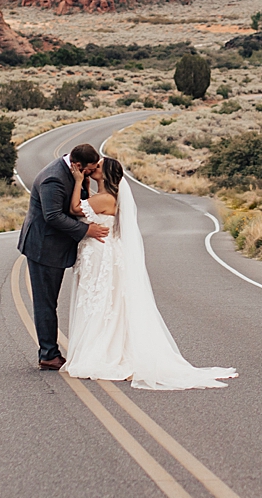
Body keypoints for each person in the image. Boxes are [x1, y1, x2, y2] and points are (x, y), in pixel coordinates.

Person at [64, 155, 237, 390]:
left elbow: (75, 208)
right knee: (104, 303)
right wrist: (84, 184)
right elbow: (88, 205)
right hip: (103, 254)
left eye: (99, 167)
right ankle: (102, 345)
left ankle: (102, 350)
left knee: (101, 302)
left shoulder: (105, 199)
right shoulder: (106, 198)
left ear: (105, 174)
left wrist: (76, 181)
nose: (94, 168)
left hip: (102, 255)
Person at [16, 143, 108, 370]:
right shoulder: (53, 179)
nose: (91, 172)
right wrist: (87, 231)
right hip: (44, 246)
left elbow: (78, 205)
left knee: (49, 301)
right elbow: (53, 216)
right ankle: (48, 354)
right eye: (89, 169)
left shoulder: (75, 173)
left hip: (56, 245)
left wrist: (84, 182)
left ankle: (50, 352)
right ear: (77, 165)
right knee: (46, 302)